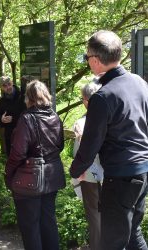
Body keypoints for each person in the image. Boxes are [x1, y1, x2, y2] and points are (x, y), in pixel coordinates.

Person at [70, 30, 148, 250]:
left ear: (95, 60)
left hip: (120, 177)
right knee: (133, 234)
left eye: (87, 58)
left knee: (111, 242)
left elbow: (90, 145)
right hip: (142, 172)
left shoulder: (103, 97)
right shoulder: (140, 83)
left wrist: (75, 170)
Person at [5, 80, 65, 250]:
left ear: (28, 98)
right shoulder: (55, 116)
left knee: (30, 226)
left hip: (30, 177)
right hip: (52, 176)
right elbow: (60, 145)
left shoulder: (27, 119)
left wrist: (8, 174)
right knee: (48, 222)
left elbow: (18, 153)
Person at [72, 82, 103, 250]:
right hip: (113, 173)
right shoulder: (112, 115)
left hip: (90, 175)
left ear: (85, 100)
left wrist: (75, 172)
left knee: (94, 214)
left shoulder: (81, 123)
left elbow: (78, 153)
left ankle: (97, 246)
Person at [0, 76, 25, 156]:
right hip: (10, 138)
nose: (8, 87)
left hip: (25, 135)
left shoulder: (23, 96)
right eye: (4, 86)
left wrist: (14, 119)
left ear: (12, 82)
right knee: (13, 163)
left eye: (9, 84)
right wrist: (2, 120)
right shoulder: (1, 103)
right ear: (1, 88)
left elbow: (29, 115)